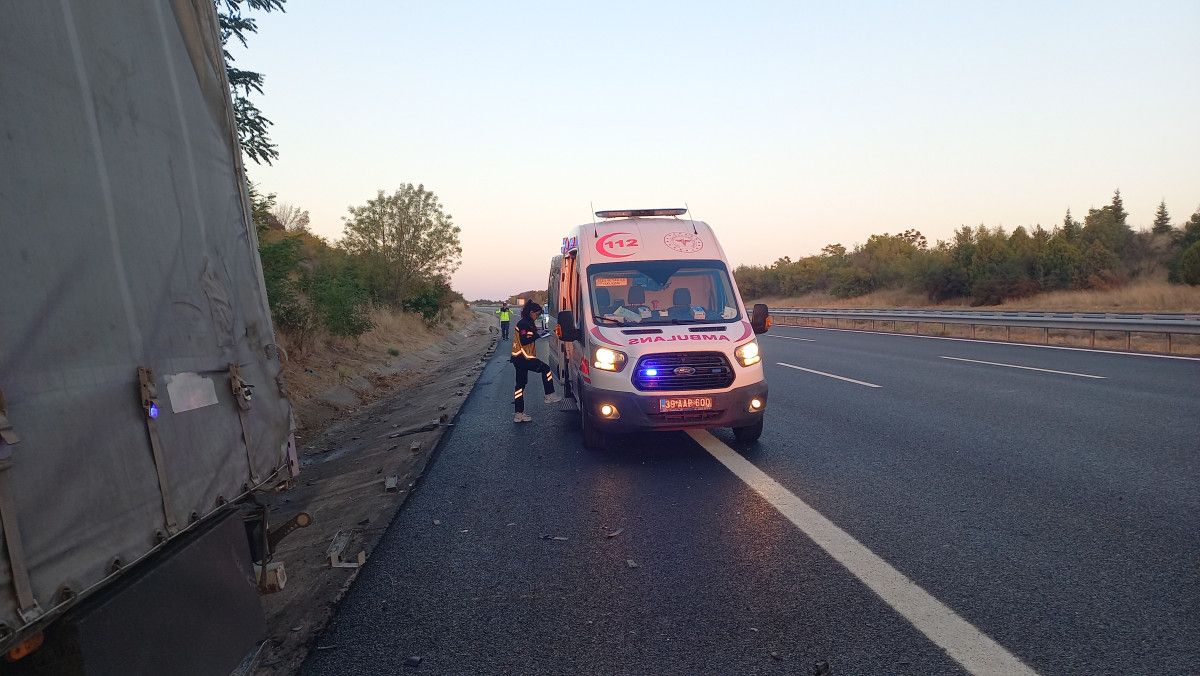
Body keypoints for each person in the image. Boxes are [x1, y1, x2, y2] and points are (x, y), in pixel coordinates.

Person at [510, 301, 561, 423]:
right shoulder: (524, 323)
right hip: (523, 357)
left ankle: (518, 414)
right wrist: (538, 335)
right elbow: (524, 340)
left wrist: (541, 332)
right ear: (531, 312)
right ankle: (549, 395)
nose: (537, 317)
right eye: (537, 314)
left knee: (520, 386)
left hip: (518, 358)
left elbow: (531, 333)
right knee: (546, 369)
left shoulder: (527, 322)